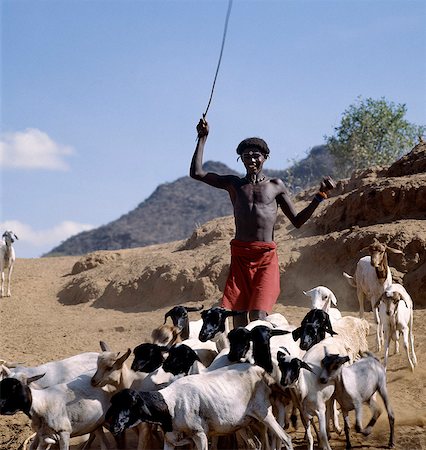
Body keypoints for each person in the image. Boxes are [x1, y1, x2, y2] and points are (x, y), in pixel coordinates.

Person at [190, 117, 335, 327]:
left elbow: (297, 221)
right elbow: (197, 173)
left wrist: (320, 196)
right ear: (240, 160)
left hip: (265, 257)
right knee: (238, 318)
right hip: (240, 256)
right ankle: (240, 358)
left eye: (255, 155)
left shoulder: (276, 186)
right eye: (245, 156)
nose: (251, 160)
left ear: (265, 157)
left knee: (258, 316)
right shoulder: (234, 184)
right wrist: (202, 138)